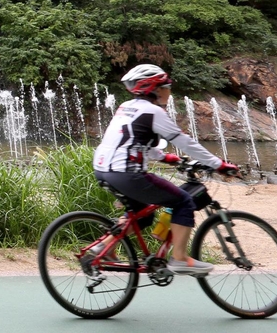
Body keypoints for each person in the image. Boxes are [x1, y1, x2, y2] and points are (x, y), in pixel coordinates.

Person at [92, 64, 239, 276]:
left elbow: (132, 140)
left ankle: (104, 247)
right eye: (166, 86)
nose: (169, 90)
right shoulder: (154, 111)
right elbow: (185, 142)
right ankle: (179, 258)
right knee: (183, 201)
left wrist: (167, 158)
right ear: (154, 88)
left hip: (104, 169)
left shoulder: (126, 107)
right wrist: (219, 164)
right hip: (127, 173)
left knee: (142, 214)